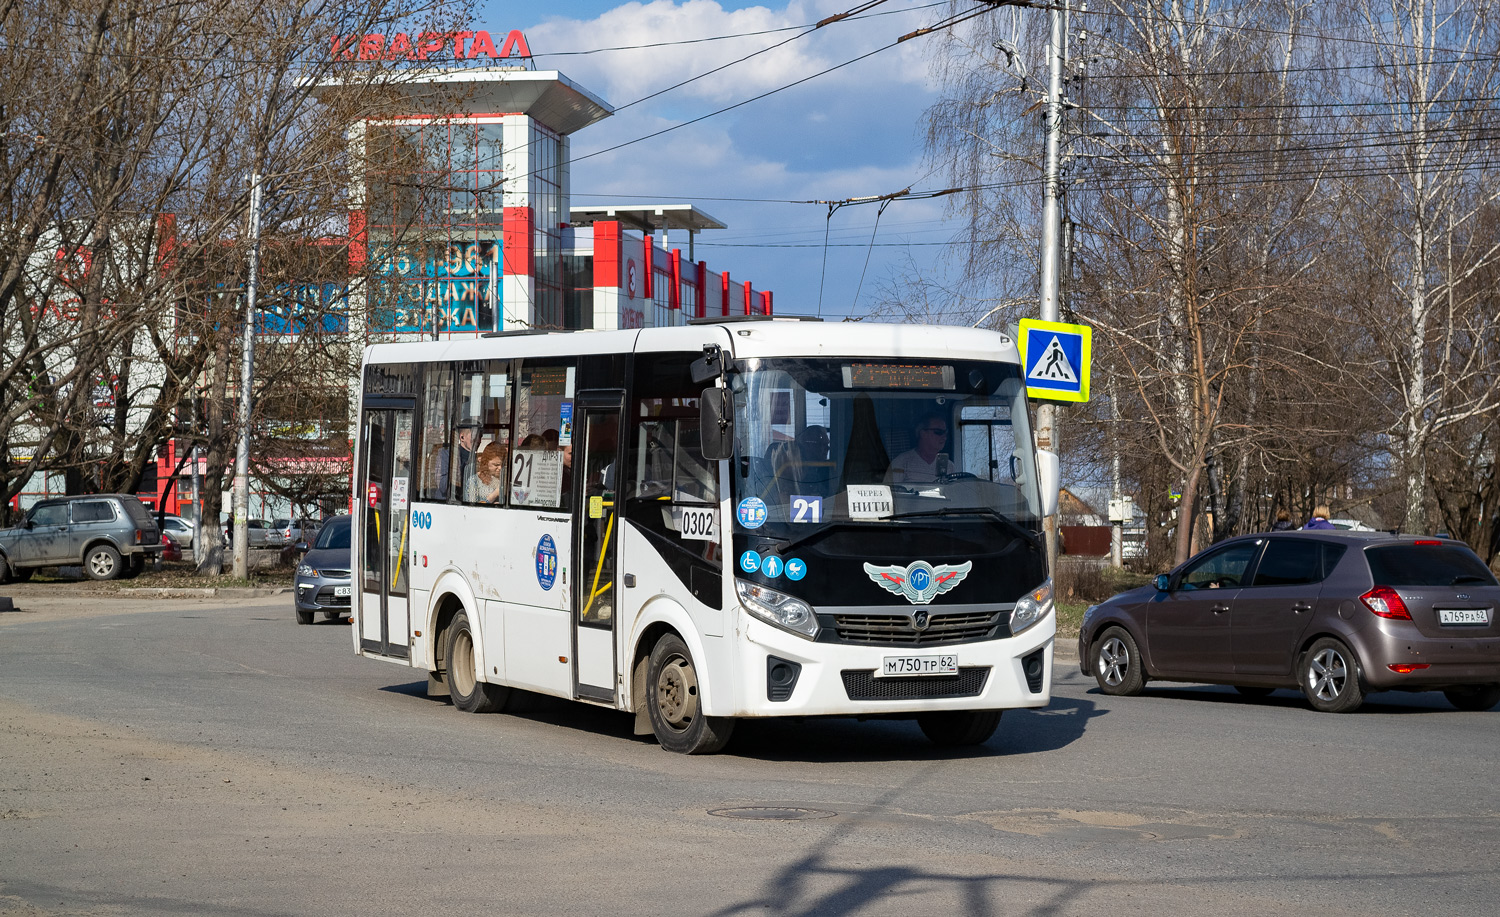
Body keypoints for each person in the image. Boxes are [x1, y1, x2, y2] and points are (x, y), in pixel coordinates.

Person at [887, 412, 950, 484]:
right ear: (923, 434)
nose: (944, 437)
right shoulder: (901, 463)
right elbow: (888, 492)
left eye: (945, 432)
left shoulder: (949, 466)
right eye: (938, 432)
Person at [435, 425, 476, 497]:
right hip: (447, 503)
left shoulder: (476, 457)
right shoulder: (447, 454)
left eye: (480, 437)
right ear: (462, 437)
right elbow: (442, 486)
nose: (478, 440)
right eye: (475, 437)